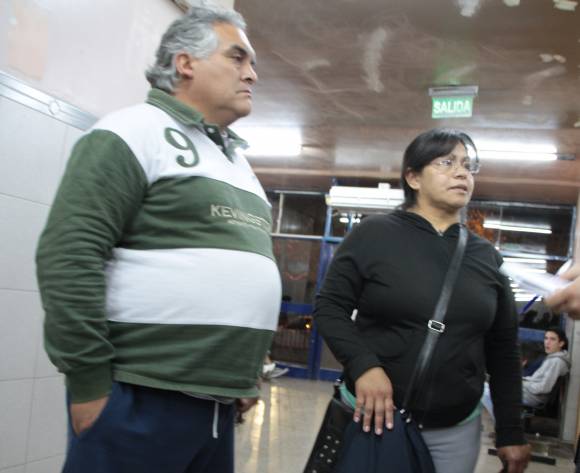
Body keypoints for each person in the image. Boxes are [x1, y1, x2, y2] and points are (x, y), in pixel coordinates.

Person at [35, 3, 281, 473]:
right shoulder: (130, 132)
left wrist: (244, 373)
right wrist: (89, 383)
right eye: (237, 58)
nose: (252, 74)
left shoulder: (235, 162)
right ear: (185, 63)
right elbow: (69, 255)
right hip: (139, 396)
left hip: (217, 406)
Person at [313, 128, 530, 473]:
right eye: (447, 163)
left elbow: (503, 348)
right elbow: (329, 308)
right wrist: (364, 365)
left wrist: (511, 430)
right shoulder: (374, 234)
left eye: (467, 165)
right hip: (374, 418)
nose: (461, 173)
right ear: (413, 177)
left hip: (455, 430)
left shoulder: (486, 257)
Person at [482, 328, 570, 420]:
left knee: (486, 391)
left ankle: (501, 421)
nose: (547, 342)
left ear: (561, 343)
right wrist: (521, 381)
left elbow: (543, 388)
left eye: (552, 339)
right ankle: (503, 419)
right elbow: (536, 381)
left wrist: (523, 384)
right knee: (487, 386)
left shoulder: (556, 362)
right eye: (546, 338)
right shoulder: (553, 358)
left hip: (533, 397)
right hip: (529, 392)